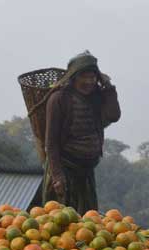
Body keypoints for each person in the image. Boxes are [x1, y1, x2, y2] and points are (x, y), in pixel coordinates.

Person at [41, 51, 121, 213]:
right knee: (59, 222)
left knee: (87, 222)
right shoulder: (59, 99)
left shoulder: (97, 96)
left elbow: (113, 116)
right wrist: (57, 176)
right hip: (64, 169)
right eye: (84, 77)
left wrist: (109, 88)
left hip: (86, 171)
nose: (89, 82)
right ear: (74, 77)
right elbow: (51, 142)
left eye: (92, 77)